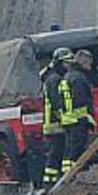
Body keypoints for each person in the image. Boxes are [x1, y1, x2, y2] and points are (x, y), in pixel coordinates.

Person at [60, 48, 96, 173]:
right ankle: (72, 174)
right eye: (89, 63)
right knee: (76, 148)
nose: (90, 66)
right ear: (83, 63)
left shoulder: (69, 75)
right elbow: (81, 100)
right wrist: (88, 117)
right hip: (77, 119)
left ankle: (68, 173)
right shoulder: (79, 78)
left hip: (69, 119)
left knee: (70, 148)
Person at [40, 47, 70, 185]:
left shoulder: (54, 77)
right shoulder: (54, 79)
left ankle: (55, 181)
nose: (68, 66)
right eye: (66, 63)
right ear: (59, 63)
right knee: (56, 153)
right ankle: (50, 183)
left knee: (58, 153)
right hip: (55, 124)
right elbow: (56, 102)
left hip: (55, 123)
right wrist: (64, 119)